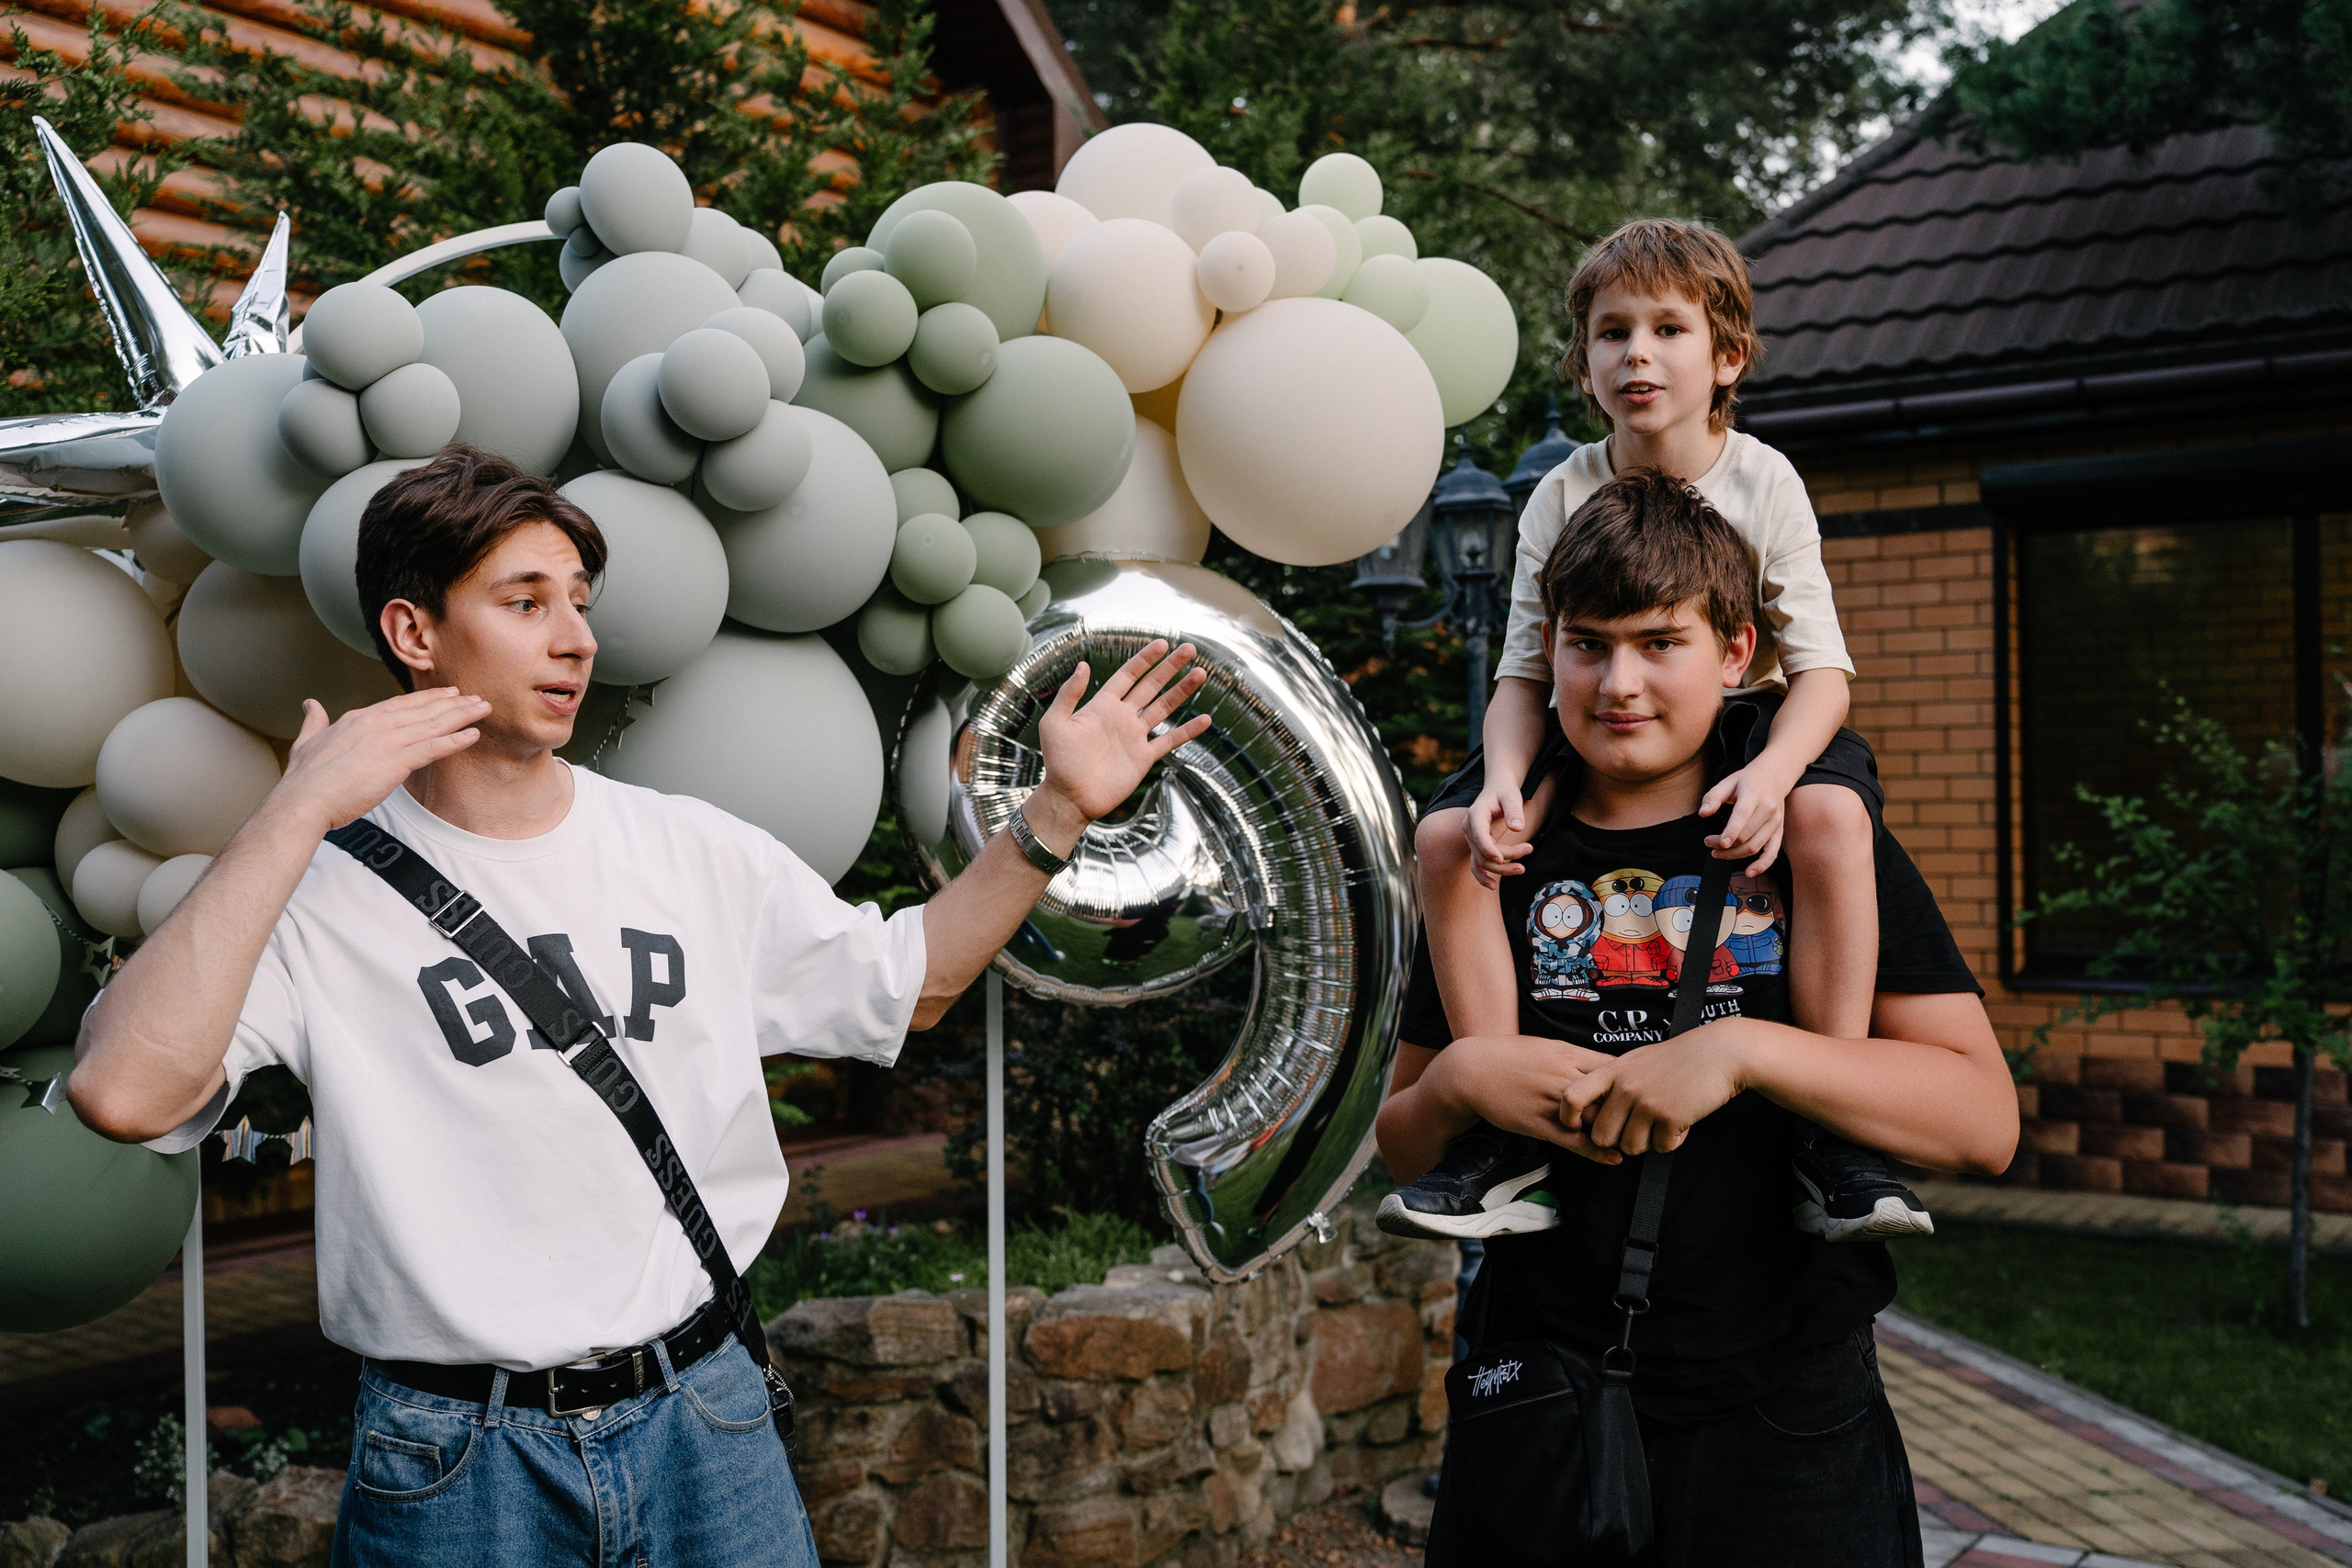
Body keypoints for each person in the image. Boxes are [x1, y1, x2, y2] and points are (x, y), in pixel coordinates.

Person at [66, 446, 1213, 1568]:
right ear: (414, 633)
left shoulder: (685, 848)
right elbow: (124, 1091)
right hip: (459, 1460)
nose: (575, 638)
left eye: (578, 601)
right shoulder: (315, 890)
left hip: (703, 1416)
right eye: (525, 602)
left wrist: (1057, 813)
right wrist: (291, 816)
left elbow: (911, 986)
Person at [1374, 471, 2017, 1566]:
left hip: (1785, 1411)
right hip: (1543, 1394)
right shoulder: (1494, 853)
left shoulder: (1814, 836)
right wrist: (1464, 1085)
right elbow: (1400, 1140)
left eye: (1658, 642)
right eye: (1586, 645)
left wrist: (1741, 1051)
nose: (1617, 683)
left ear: (1734, 653)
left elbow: (1981, 1124)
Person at [1399, 217, 1930, 1244]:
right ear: (1585, 366)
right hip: (1589, 710)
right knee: (1447, 840)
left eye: (1667, 330)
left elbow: (1823, 672)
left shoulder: (1762, 479)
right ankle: (1505, 1133)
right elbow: (1522, 671)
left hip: (1750, 717)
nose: (1635, 352)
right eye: (1609, 333)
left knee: (1827, 818)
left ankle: (1834, 1135)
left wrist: (1776, 772)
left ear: (1726, 356)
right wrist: (1505, 779)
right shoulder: (1560, 491)